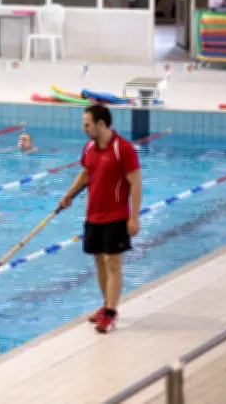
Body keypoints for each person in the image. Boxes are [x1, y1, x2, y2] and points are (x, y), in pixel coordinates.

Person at [58, 104, 141, 334]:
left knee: (112, 263)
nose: (84, 129)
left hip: (116, 216)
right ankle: (107, 306)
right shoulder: (89, 148)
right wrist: (69, 195)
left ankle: (112, 313)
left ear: (101, 124)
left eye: (87, 124)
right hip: (93, 215)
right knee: (98, 262)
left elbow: (135, 183)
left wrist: (134, 217)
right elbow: (86, 173)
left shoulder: (122, 149)